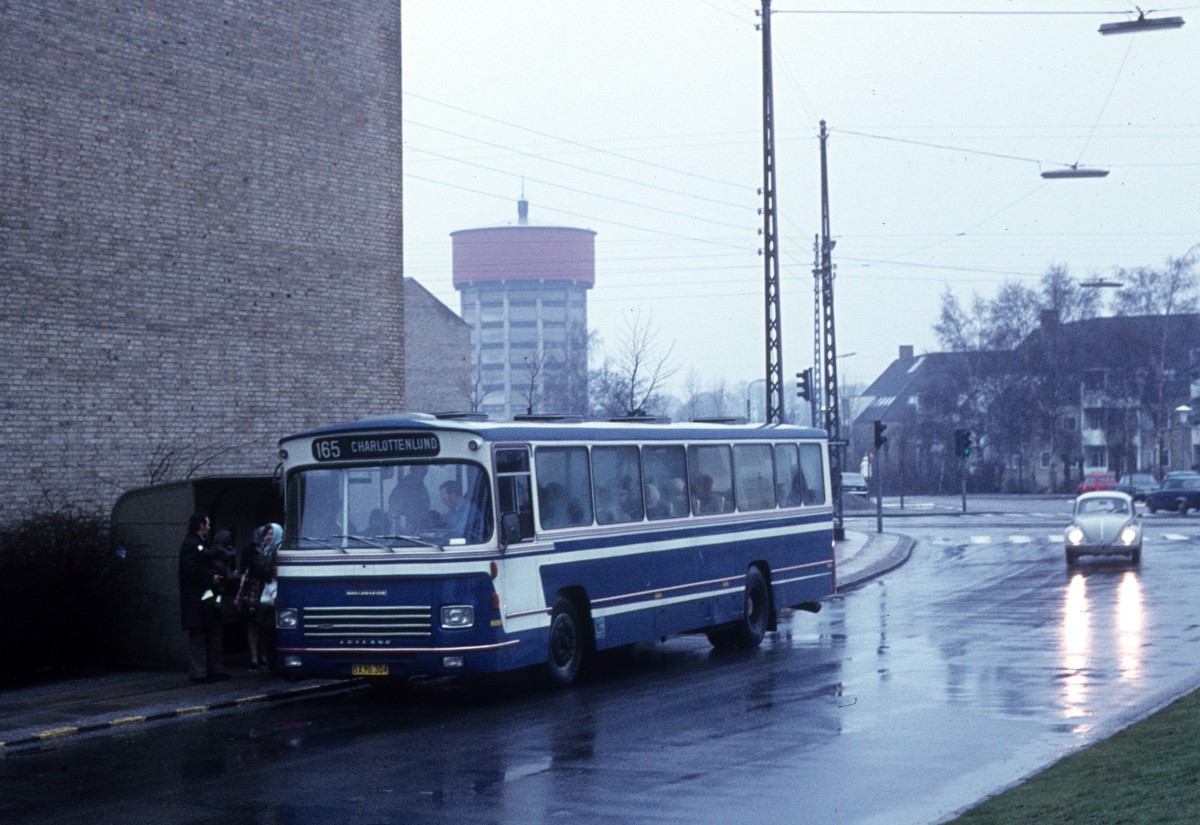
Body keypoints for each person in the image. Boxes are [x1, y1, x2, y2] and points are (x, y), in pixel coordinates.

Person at [178, 513, 230, 683]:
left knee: (211, 628)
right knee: (199, 633)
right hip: (196, 596)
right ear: (201, 525)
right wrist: (211, 577)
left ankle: (211, 670)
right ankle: (199, 673)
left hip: (205, 595)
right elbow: (191, 569)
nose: (209, 527)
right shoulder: (191, 544)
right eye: (207, 524)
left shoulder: (200, 542)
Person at [238, 522, 281, 670]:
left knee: (264, 625)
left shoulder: (273, 550)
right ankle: (254, 656)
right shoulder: (250, 552)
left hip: (267, 590)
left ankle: (262, 654)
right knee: (253, 624)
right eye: (265, 534)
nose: (266, 537)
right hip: (254, 590)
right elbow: (245, 571)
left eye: (270, 534)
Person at [389, 465, 431, 531]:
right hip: (404, 533)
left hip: (418, 530)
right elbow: (395, 512)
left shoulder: (422, 488)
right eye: (417, 472)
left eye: (424, 472)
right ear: (412, 471)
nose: (421, 475)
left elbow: (425, 511)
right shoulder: (402, 488)